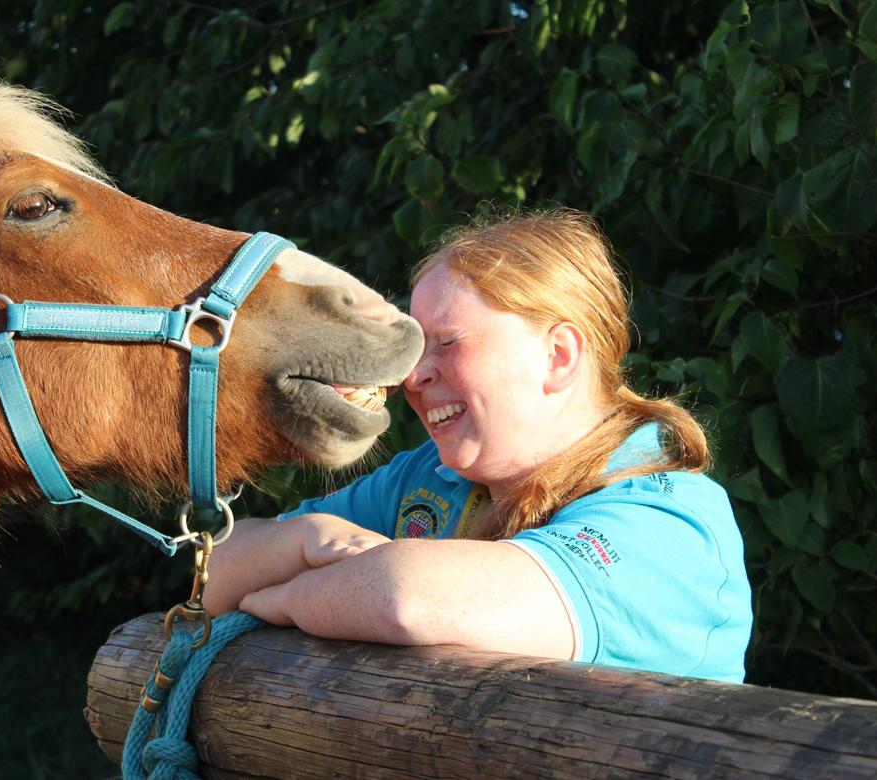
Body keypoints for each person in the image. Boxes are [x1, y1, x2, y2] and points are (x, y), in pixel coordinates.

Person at [202, 208, 752, 683]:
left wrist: (280, 598)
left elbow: (408, 598)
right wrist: (311, 537)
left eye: (447, 342)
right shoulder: (428, 478)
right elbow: (214, 569)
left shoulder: (670, 519)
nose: (413, 375)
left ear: (558, 356)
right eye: (418, 346)